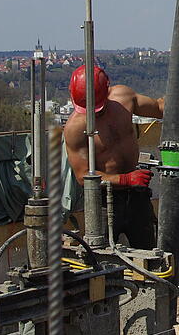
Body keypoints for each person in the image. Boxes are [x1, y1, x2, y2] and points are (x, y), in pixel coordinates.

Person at [63, 65, 165, 249]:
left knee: (150, 255)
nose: (95, 112)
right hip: (103, 202)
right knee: (101, 258)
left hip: (136, 197)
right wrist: (125, 179)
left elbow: (159, 108)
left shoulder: (123, 98)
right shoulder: (75, 129)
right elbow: (82, 176)